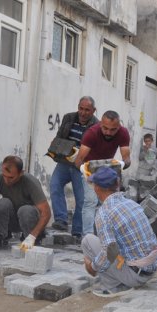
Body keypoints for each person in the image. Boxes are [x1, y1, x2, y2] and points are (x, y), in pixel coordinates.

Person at [81, 167, 157, 297]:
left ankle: (114, 286)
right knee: (109, 244)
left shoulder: (104, 213)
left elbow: (110, 252)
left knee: (88, 241)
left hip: (135, 276)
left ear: (97, 188)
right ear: (117, 184)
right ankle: (120, 279)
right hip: (152, 267)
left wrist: (92, 266)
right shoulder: (132, 203)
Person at [74, 110, 132, 235]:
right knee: (90, 202)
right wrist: (85, 173)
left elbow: (127, 159)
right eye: (105, 128)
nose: (108, 132)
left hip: (108, 170)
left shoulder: (123, 133)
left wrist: (122, 164)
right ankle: (88, 237)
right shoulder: (91, 133)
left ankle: (110, 235)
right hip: (90, 169)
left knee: (111, 204)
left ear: (119, 126)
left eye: (113, 130)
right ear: (100, 123)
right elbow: (78, 161)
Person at [48, 96, 98, 236]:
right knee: (54, 185)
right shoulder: (68, 118)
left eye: (87, 110)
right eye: (81, 108)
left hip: (81, 165)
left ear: (93, 111)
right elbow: (60, 136)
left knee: (81, 199)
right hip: (65, 161)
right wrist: (56, 145)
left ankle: (77, 230)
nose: (83, 113)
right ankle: (61, 220)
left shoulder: (97, 127)